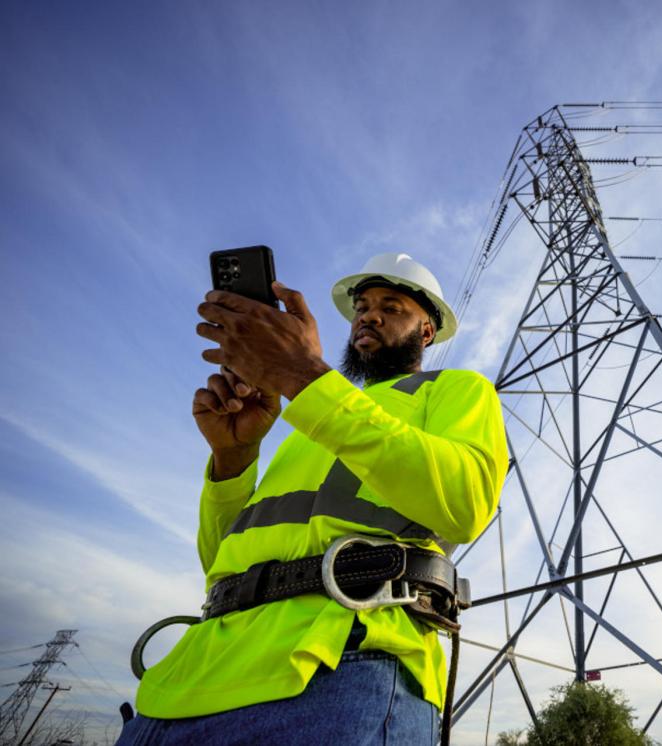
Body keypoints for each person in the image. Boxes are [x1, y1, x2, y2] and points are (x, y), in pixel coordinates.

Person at [119, 253, 507, 745]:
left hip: (346, 668)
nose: (368, 315)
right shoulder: (310, 422)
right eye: (363, 306)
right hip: (186, 682)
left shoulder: (451, 389)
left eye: (392, 307)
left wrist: (304, 375)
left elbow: (465, 502)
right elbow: (221, 563)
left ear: (426, 331)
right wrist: (233, 457)